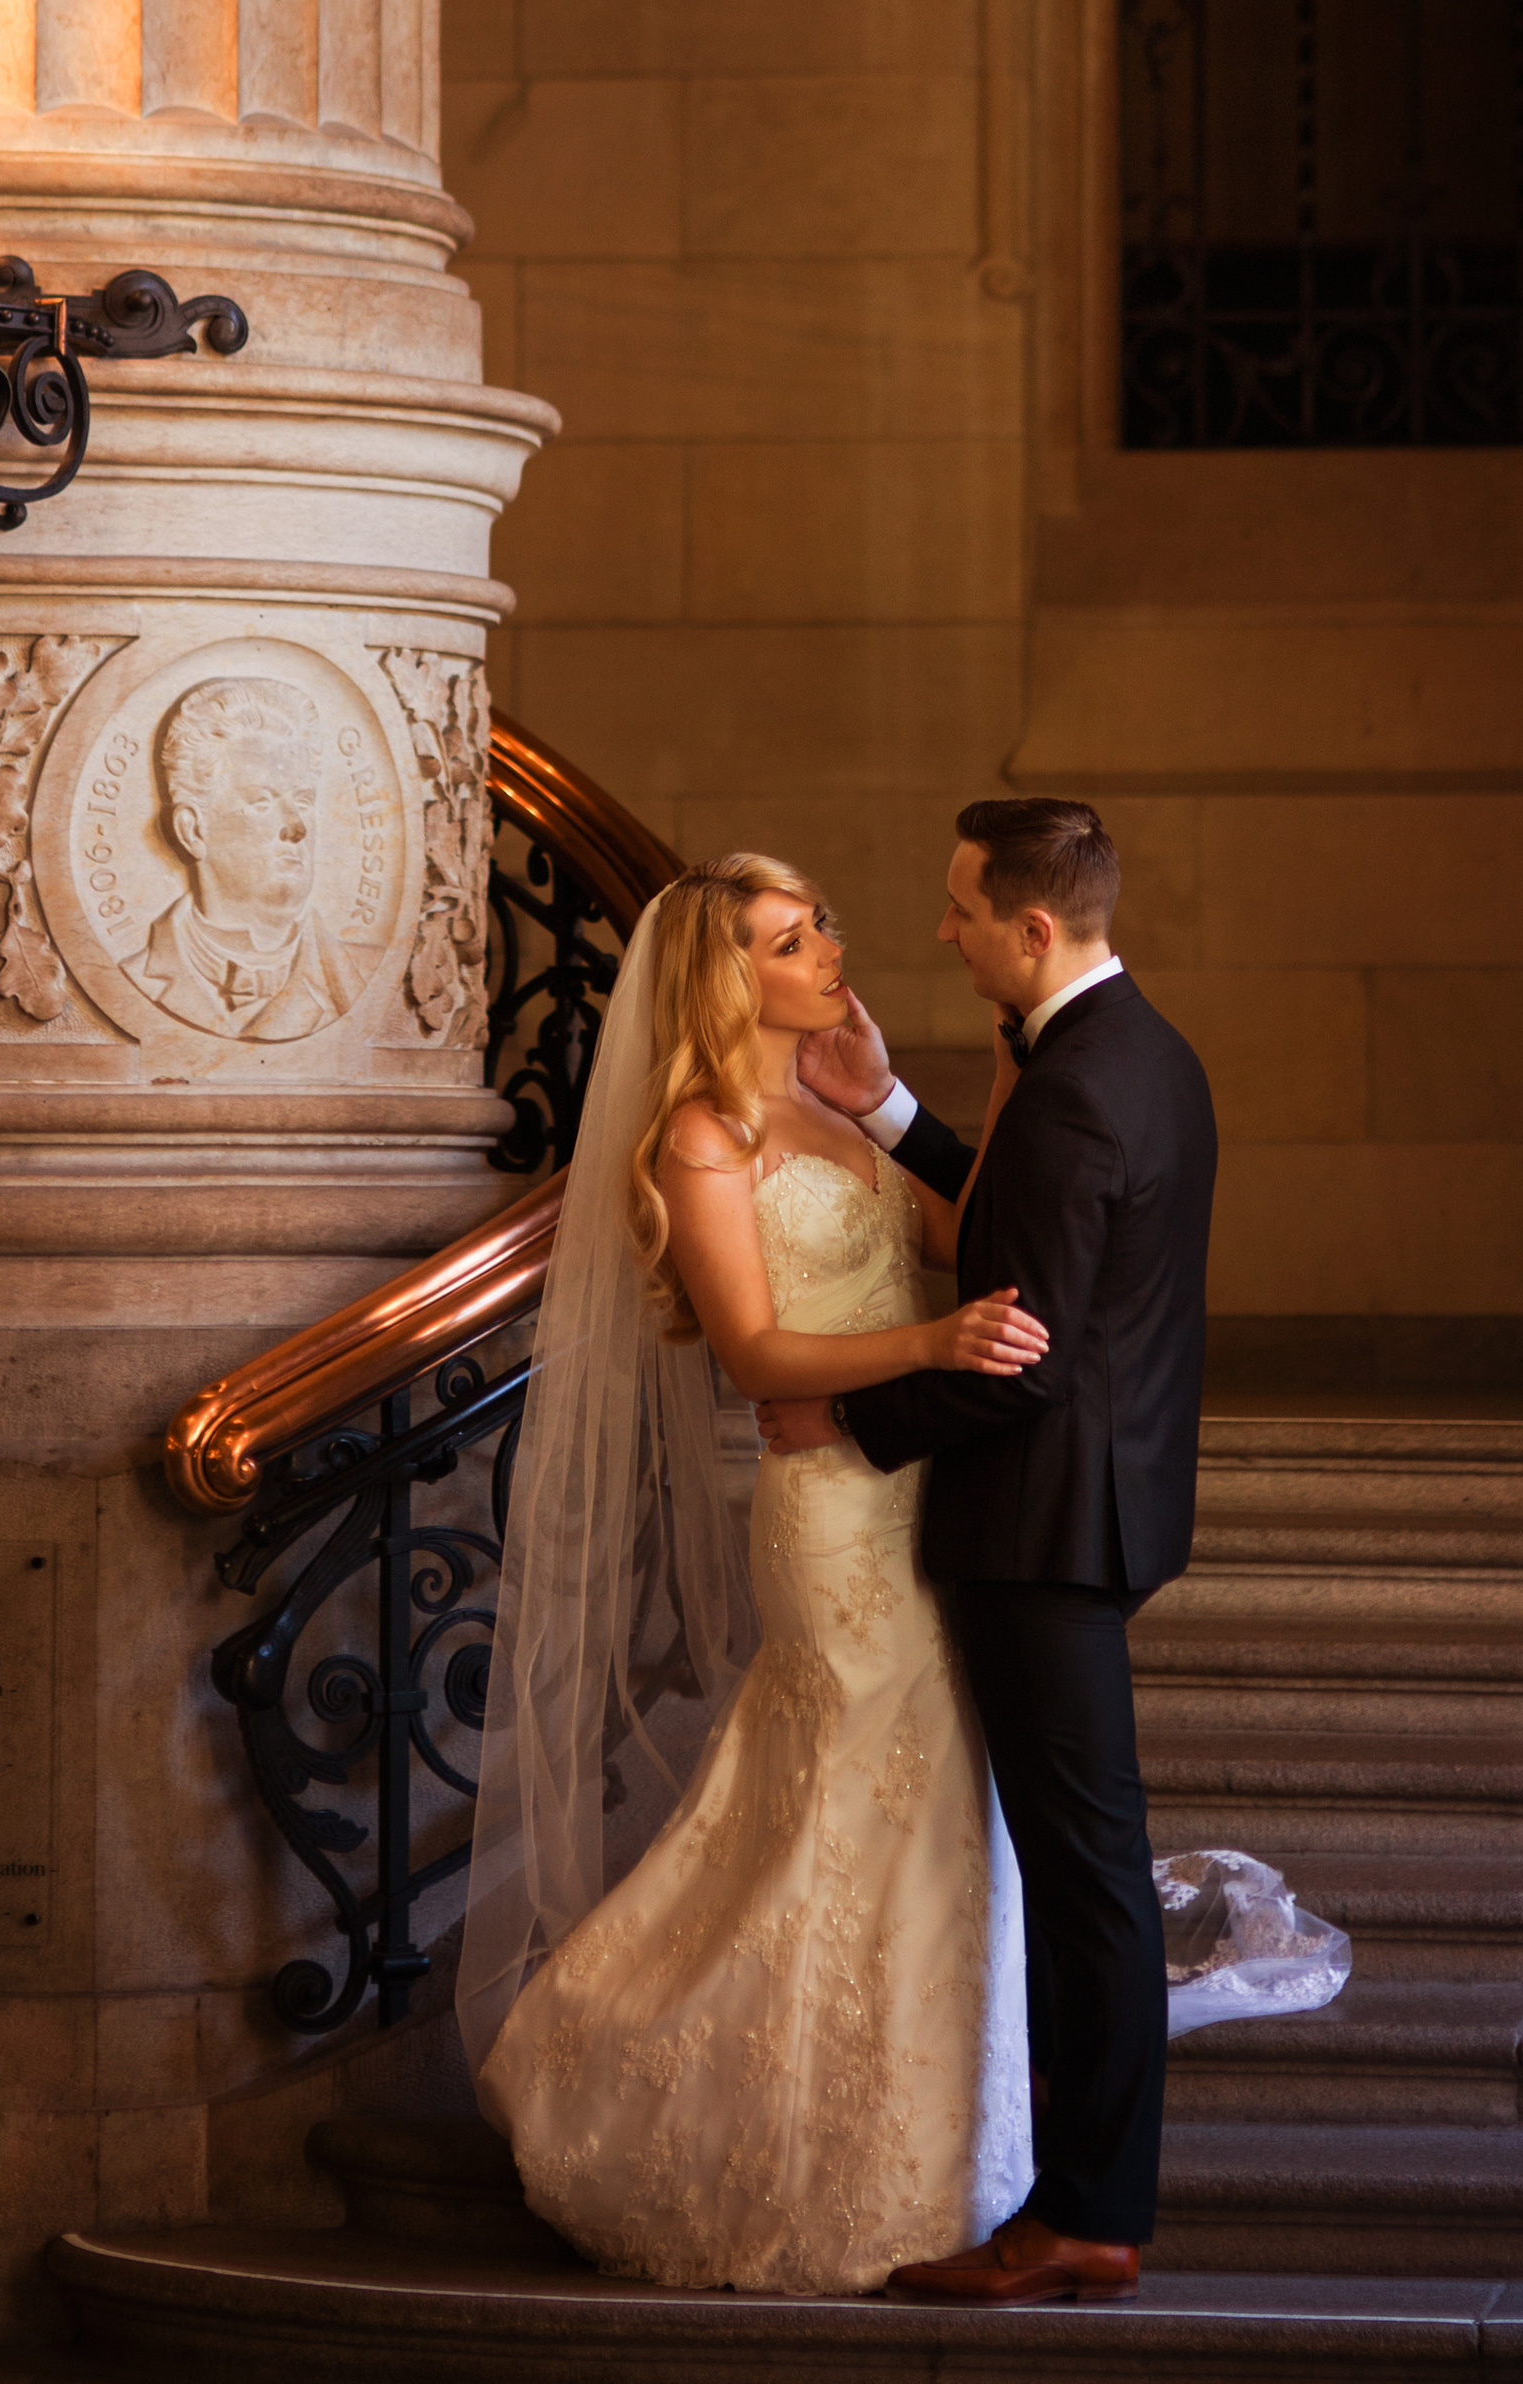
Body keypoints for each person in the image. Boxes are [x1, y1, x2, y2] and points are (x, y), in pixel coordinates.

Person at [461, 852, 1038, 2293]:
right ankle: (742, 2127)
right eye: (792, 940)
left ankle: (933, 2149)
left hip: (923, 1493)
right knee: (847, 1810)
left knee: (924, 1818)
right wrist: (929, 1350)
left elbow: (971, 1254)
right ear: (732, 980)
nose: (831, 948)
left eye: (824, 920)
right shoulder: (701, 1139)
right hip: (832, 1518)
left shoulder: (829, 1109)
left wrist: (907, 1106)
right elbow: (757, 1357)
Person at [759, 794, 1216, 2309]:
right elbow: (1017, 1241)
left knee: (1087, 1874)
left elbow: (1026, 1351)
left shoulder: (1083, 1087)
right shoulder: (1128, 1052)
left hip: (1045, 1521)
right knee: (1080, 1865)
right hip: (1083, 1507)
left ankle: (1087, 2210)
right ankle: (1081, 2196)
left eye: (960, 911)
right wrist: (888, 1111)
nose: (937, 932)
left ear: (1032, 926)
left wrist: (844, 1416)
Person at [122, 676, 362, 1039]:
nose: (297, 827)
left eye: (303, 802)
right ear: (193, 831)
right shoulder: (132, 982)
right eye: (261, 801)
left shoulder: (365, 977)